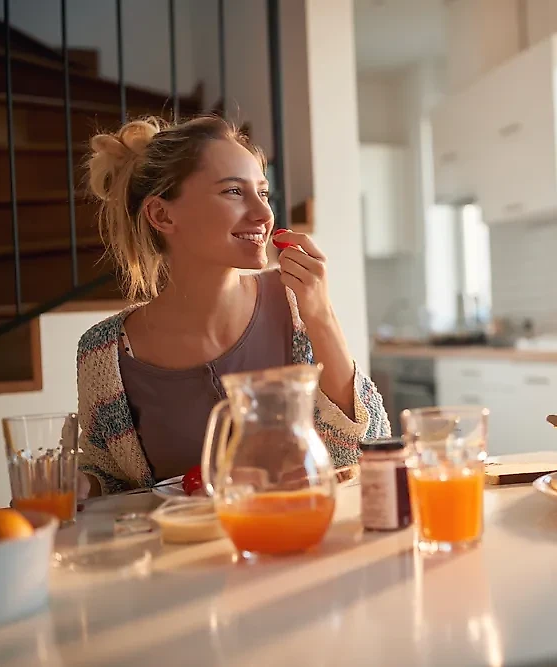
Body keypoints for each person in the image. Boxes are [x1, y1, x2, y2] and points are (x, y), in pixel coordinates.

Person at [76, 115, 390, 495]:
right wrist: (74, 485)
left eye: (263, 193)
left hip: (303, 528)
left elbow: (370, 451)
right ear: (162, 214)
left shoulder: (295, 304)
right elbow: (108, 478)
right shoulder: (103, 353)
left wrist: (321, 316)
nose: (264, 215)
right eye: (234, 192)